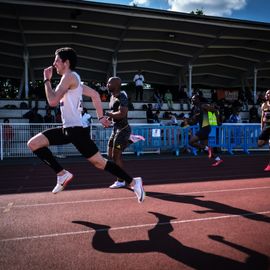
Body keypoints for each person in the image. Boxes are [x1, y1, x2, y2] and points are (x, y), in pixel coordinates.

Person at [27, 47, 145, 203]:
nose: (54, 64)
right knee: (33, 143)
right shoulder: (72, 78)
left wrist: (46, 80)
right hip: (66, 129)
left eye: (56, 60)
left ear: (66, 62)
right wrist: (101, 117)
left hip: (76, 131)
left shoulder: (69, 77)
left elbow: (53, 101)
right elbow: (95, 95)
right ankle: (62, 174)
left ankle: (134, 182)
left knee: (100, 163)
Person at [105, 77, 145, 189]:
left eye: (109, 82)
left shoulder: (122, 96)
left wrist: (109, 115)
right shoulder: (112, 97)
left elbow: (122, 113)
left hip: (123, 129)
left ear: (117, 85)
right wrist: (108, 120)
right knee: (109, 154)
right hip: (115, 128)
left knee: (116, 156)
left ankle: (121, 180)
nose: (107, 84)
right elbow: (114, 112)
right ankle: (130, 140)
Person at [188, 94, 223, 167]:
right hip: (203, 128)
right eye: (192, 99)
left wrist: (218, 121)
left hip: (205, 128)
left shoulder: (203, 106)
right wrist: (190, 121)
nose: (192, 100)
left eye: (194, 99)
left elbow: (215, 111)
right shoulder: (195, 109)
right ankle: (218, 159)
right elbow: (195, 122)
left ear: (198, 99)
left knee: (191, 142)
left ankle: (208, 148)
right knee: (205, 149)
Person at [258, 89, 270, 171]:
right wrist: (261, 127)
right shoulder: (264, 105)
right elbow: (262, 117)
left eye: (268, 94)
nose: (266, 95)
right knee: (259, 144)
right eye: (266, 94)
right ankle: (268, 140)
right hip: (266, 126)